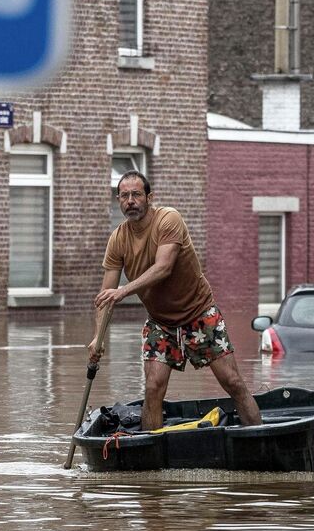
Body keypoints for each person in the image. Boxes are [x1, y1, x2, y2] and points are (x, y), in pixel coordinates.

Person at [89, 170, 261, 429]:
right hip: (161, 324)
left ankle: (259, 438)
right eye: (124, 196)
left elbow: (163, 268)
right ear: (118, 201)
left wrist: (124, 291)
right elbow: (105, 298)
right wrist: (96, 338)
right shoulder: (118, 239)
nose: (131, 201)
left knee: (232, 382)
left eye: (136, 194)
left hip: (199, 313)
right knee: (153, 388)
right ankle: (151, 454)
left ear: (149, 197)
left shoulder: (169, 219)